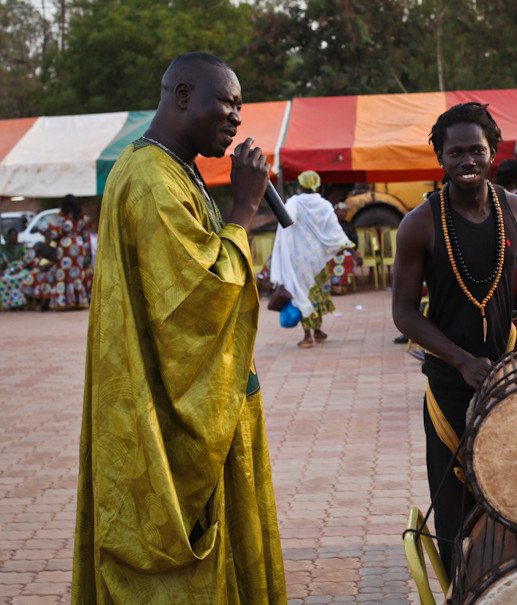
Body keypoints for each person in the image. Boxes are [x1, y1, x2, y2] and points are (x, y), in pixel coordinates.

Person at [71, 52, 286, 603]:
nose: (237, 118)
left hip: (207, 397)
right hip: (173, 415)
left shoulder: (173, 168)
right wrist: (243, 206)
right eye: (227, 102)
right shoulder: (150, 180)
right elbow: (200, 296)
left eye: (241, 107)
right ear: (183, 95)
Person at [391, 102, 517, 574]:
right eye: (455, 152)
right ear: (441, 158)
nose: (467, 161)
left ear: (492, 153)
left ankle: (516, 584)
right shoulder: (419, 224)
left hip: (508, 376)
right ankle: (463, 588)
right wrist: (460, 359)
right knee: (456, 509)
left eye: (476, 151)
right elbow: (403, 313)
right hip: (448, 383)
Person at [269, 170, 354, 346]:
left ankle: (308, 335)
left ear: (301, 185)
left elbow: (286, 222)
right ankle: (317, 330)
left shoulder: (294, 202)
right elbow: (334, 230)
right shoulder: (324, 205)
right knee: (319, 293)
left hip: (299, 260)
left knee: (302, 293)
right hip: (319, 261)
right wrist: (344, 244)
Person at [28, 194, 94, 310]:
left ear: (66, 205)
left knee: (63, 275)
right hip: (78, 248)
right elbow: (86, 237)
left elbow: (55, 234)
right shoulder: (82, 218)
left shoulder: (62, 217)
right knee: (76, 275)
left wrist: (44, 231)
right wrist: (87, 253)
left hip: (65, 250)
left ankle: (64, 303)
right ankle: (78, 301)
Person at [0, 228, 33, 309]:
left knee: (21, 278)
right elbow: (1, 263)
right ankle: (9, 305)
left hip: (21, 269)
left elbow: (27, 260)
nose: (14, 237)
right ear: (6, 237)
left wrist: (19, 268)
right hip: (9, 269)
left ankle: (21, 303)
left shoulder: (22, 246)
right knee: (3, 280)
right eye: (11, 235)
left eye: (15, 234)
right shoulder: (3, 249)